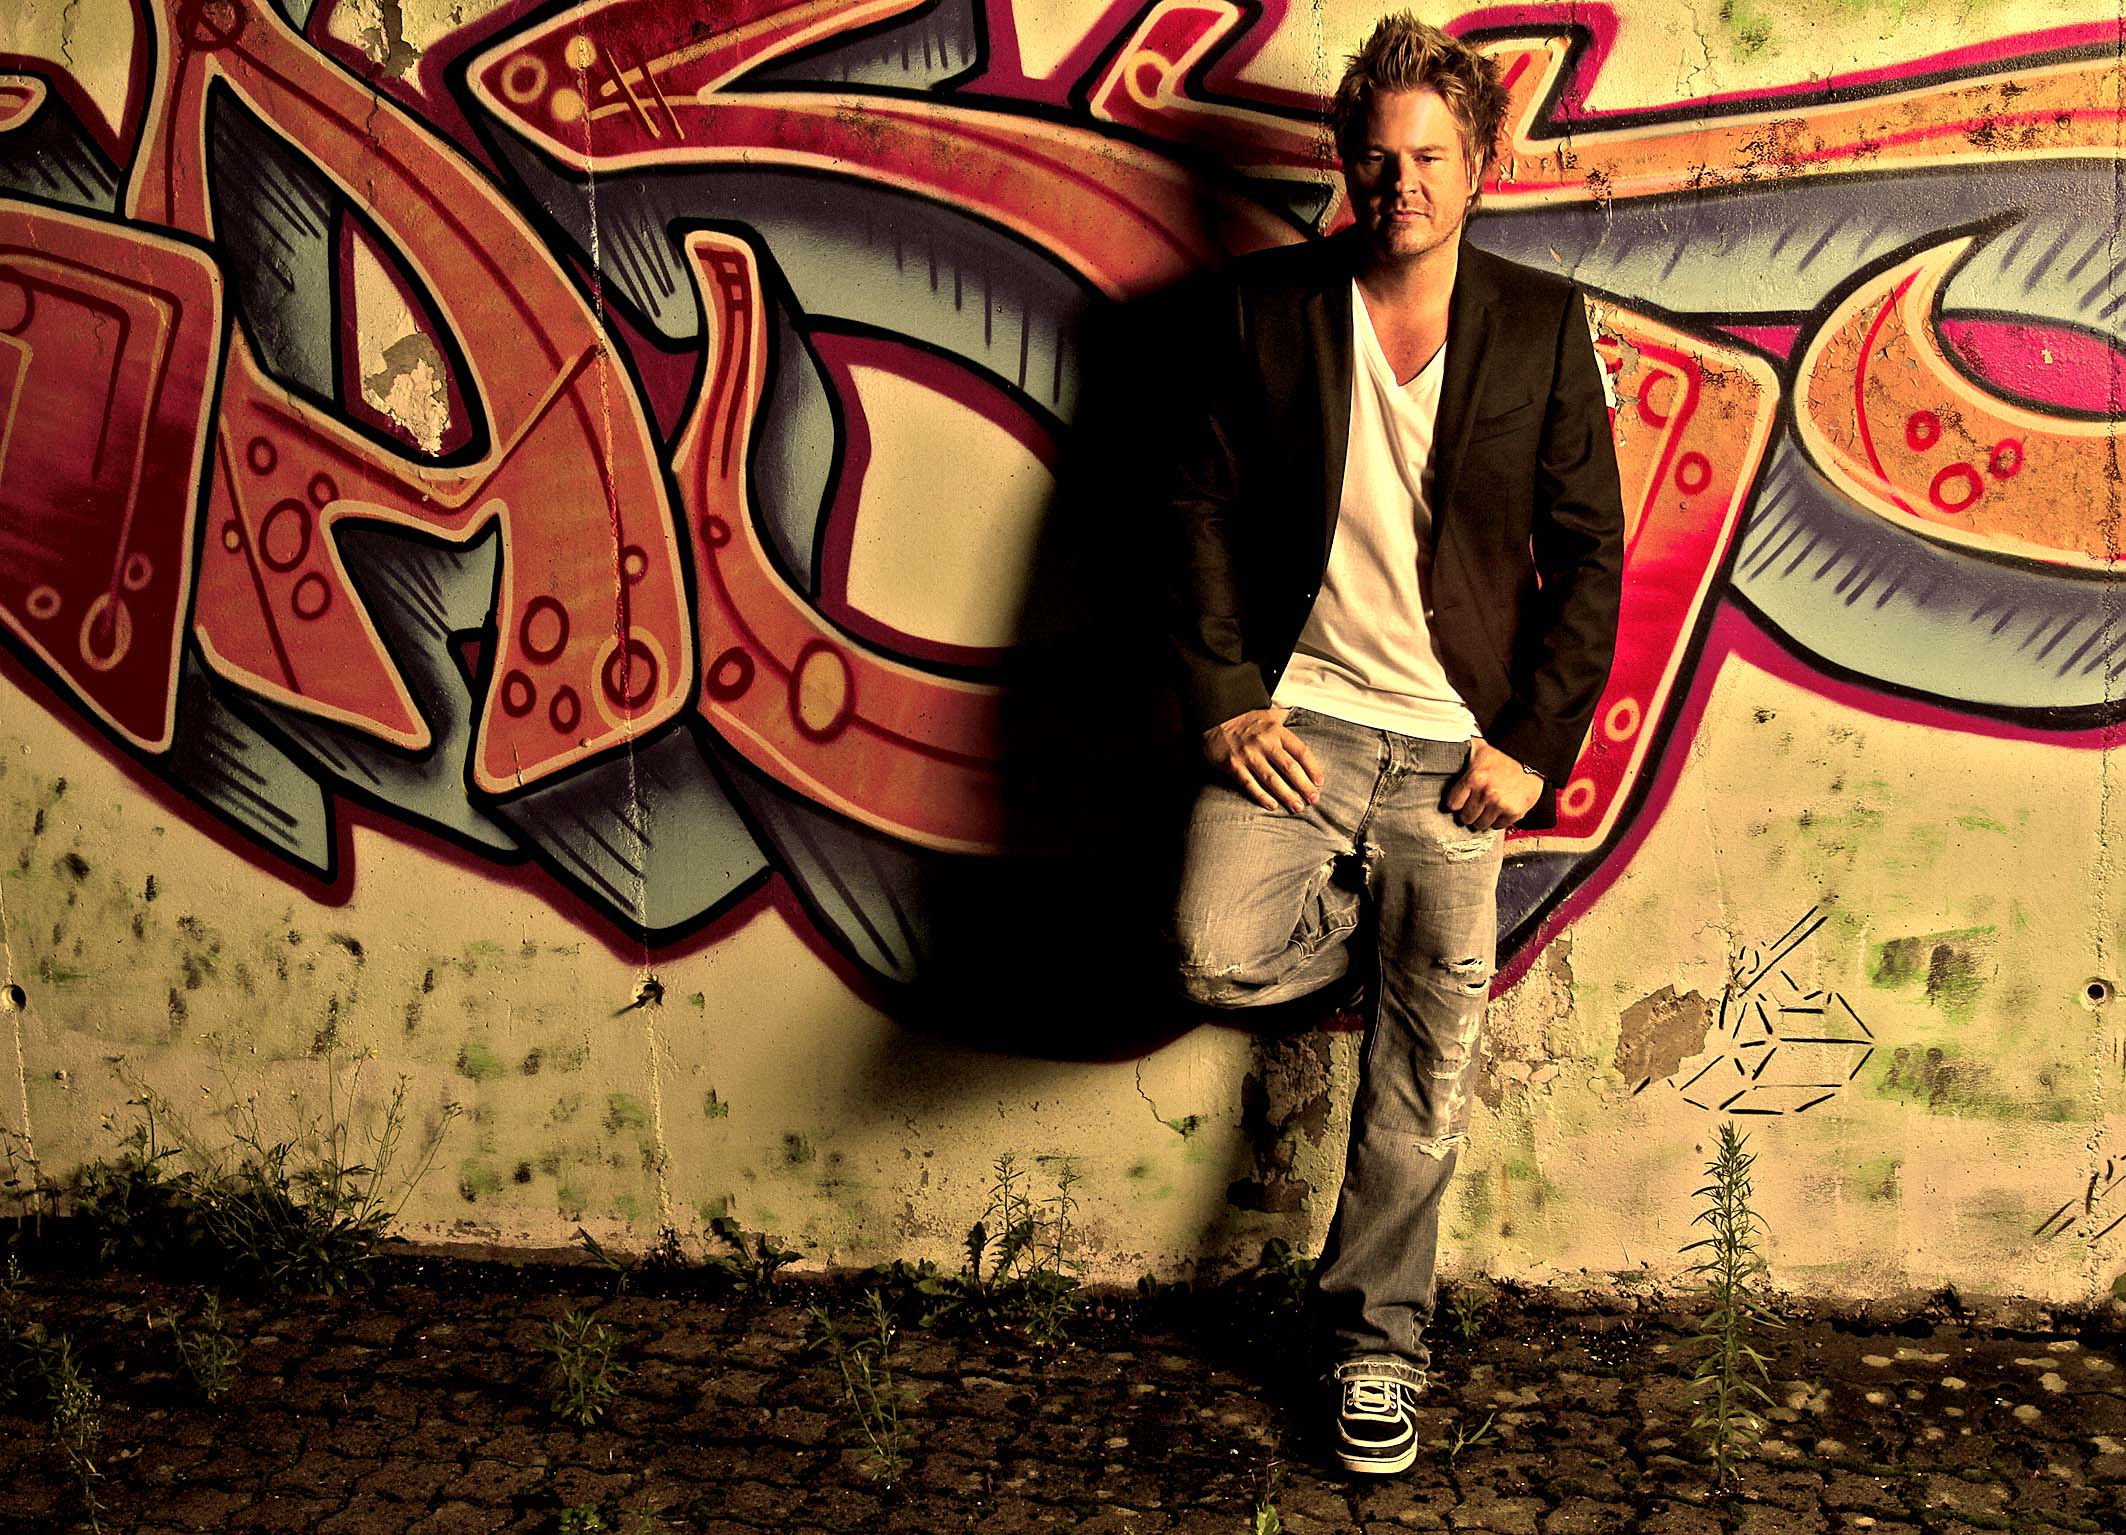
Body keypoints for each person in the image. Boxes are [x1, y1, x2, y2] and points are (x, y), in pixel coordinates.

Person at [1164, 13, 1625, 1475]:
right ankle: (1391, 941)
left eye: (1428, 157)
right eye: (1375, 158)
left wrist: (1532, 742)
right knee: (1213, 951)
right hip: (1299, 729)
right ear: (1345, 163)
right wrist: (1226, 695)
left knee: (1423, 1078)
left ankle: (1374, 1346)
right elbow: (1195, 508)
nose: (1400, 184)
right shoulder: (1265, 307)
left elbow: (1590, 553)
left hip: (1452, 754)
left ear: (1479, 166)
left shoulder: (1539, 323)